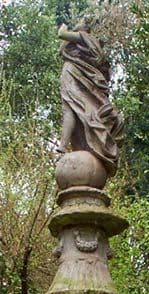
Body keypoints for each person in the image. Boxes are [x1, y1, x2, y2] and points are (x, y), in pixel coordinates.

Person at [58, 19, 124, 176]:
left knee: (71, 109)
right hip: (74, 74)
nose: (76, 25)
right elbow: (62, 51)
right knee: (73, 110)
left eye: (79, 22)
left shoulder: (84, 36)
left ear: (85, 26)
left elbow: (61, 34)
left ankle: (62, 145)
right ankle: (64, 145)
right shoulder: (88, 42)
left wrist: (65, 26)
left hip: (73, 74)